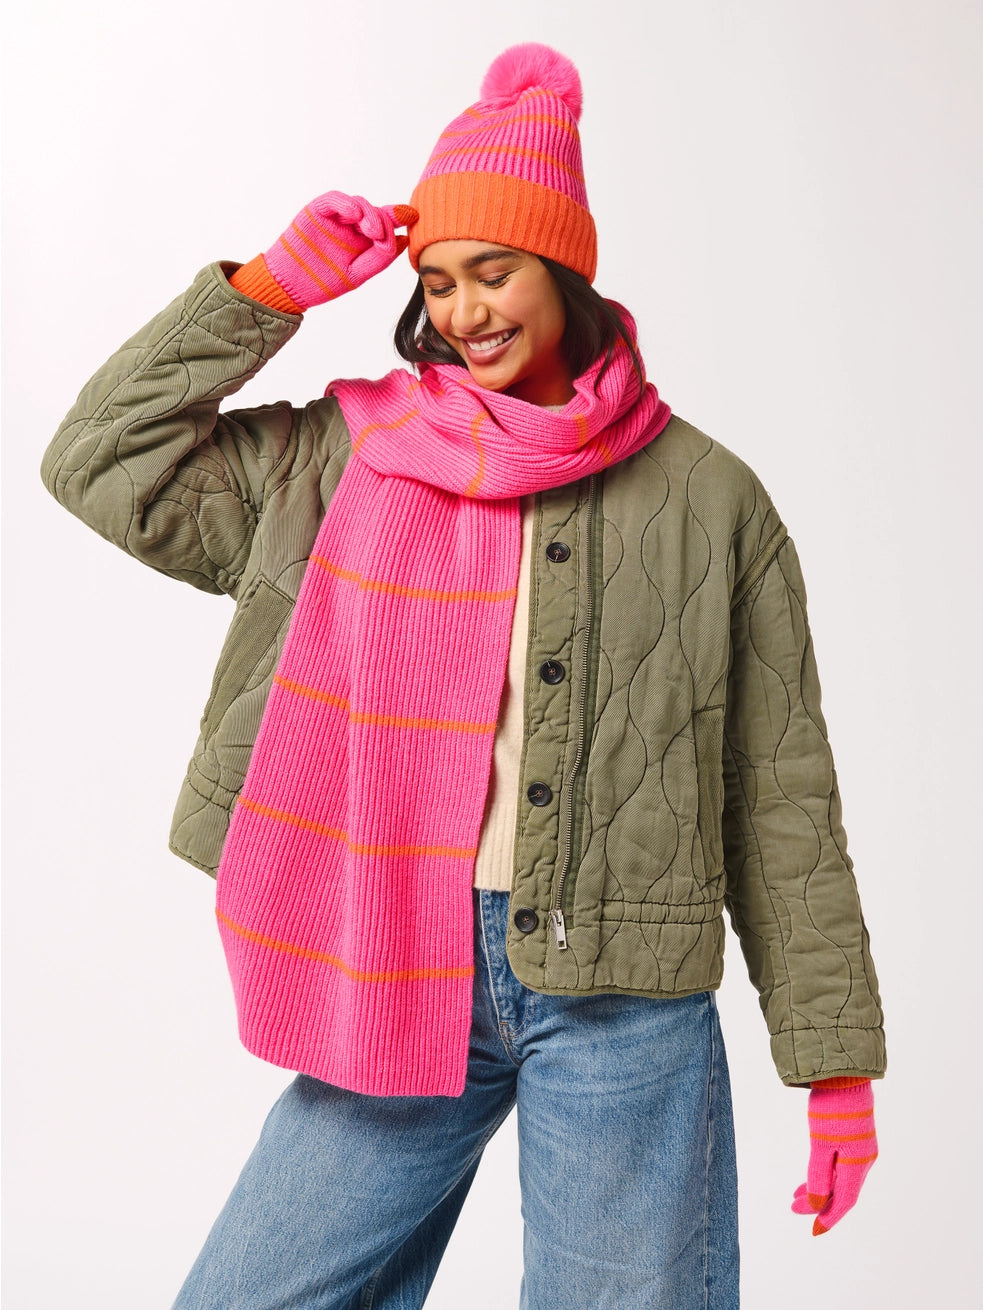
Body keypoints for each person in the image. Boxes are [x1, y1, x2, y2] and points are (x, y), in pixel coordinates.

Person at [42, 43, 885, 1310]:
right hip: (395, 956)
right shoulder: (341, 459)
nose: (464, 310)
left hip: (623, 998)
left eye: (494, 271)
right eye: (438, 281)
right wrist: (264, 292)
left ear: (564, 270)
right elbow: (98, 463)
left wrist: (831, 1062)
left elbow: (779, 793)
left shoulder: (707, 499)